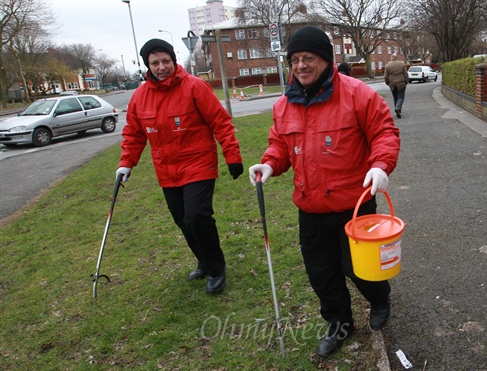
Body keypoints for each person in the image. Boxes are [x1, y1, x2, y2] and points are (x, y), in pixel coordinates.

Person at [248, 26, 400, 359]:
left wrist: (380, 166)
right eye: (295, 60)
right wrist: (269, 165)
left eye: (309, 58)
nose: (301, 65)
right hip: (311, 209)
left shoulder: (358, 94)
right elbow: (279, 145)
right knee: (322, 273)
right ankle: (339, 323)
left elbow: (384, 133)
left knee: (358, 267)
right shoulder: (284, 105)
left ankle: (379, 297)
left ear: (326, 60)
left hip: (354, 207)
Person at [115, 39, 243, 294]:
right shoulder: (140, 96)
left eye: (166, 61)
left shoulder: (195, 87)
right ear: (147, 67)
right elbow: (134, 134)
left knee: (197, 217)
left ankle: (217, 268)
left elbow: (221, 122)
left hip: (198, 163)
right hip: (167, 170)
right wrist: (126, 163)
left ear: (174, 60)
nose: (161, 67)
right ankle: (204, 260)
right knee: (182, 221)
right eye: (155, 63)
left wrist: (233, 156)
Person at [384, 53, 408, 118]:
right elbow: (405, 74)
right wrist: (406, 81)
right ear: (396, 57)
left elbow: (386, 76)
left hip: (392, 84)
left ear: (391, 58)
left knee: (395, 97)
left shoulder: (387, 66)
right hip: (401, 83)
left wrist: (387, 83)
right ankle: (398, 109)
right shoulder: (402, 64)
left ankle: (398, 110)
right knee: (401, 97)